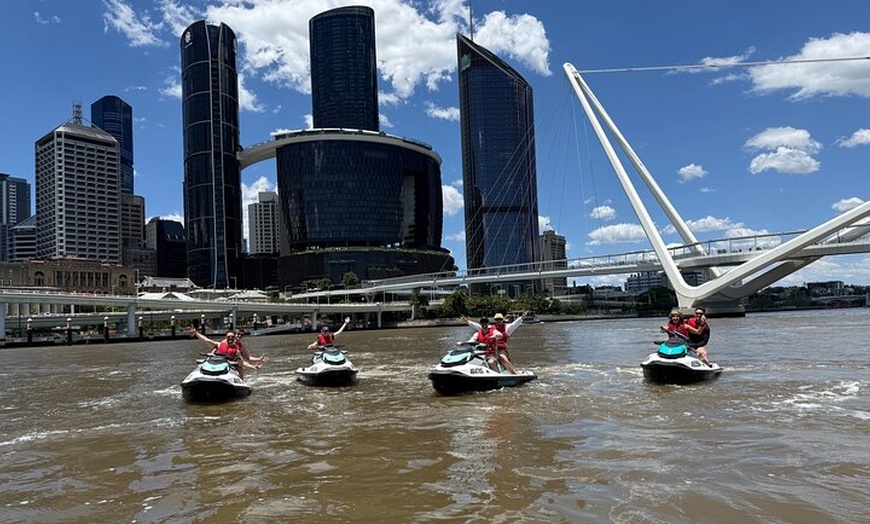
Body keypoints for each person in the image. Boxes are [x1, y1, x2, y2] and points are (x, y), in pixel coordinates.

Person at [187, 326, 263, 379]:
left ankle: (241, 382)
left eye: (232, 337)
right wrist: (196, 333)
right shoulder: (219, 344)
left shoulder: (237, 350)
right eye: (228, 337)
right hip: (216, 363)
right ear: (226, 337)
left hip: (229, 365)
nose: (230, 338)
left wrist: (254, 367)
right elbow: (206, 340)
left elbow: (242, 362)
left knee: (239, 369)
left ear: (234, 338)